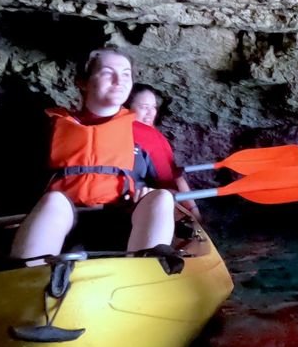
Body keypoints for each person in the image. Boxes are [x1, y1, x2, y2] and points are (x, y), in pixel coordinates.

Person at [10, 49, 191, 259]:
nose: (119, 81)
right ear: (83, 82)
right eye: (107, 73)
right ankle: (29, 276)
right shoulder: (51, 127)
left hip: (122, 215)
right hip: (63, 217)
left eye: (125, 74)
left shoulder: (145, 134)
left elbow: (170, 184)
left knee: (161, 198)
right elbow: (21, 183)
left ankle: (145, 271)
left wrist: (148, 191)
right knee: (53, 201)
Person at [127, 83, 202, 224]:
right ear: (126, 108)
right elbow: (169, 180)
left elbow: (175, 176)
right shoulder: (146, 135)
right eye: (144, 107)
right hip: (140, 206)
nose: (151, 113)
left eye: (153, 107)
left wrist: (193, 209)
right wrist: (195, 214)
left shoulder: (111, 129)